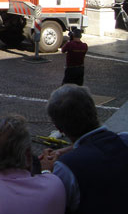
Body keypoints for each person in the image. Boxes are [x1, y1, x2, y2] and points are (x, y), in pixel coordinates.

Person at [39, 85, 128, 213]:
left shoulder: (66, 167)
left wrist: (46, 172)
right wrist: (69, 150)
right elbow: (99, 144)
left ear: (59, 128)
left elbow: (49, 204)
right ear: (94, 110)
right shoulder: (124, 140)